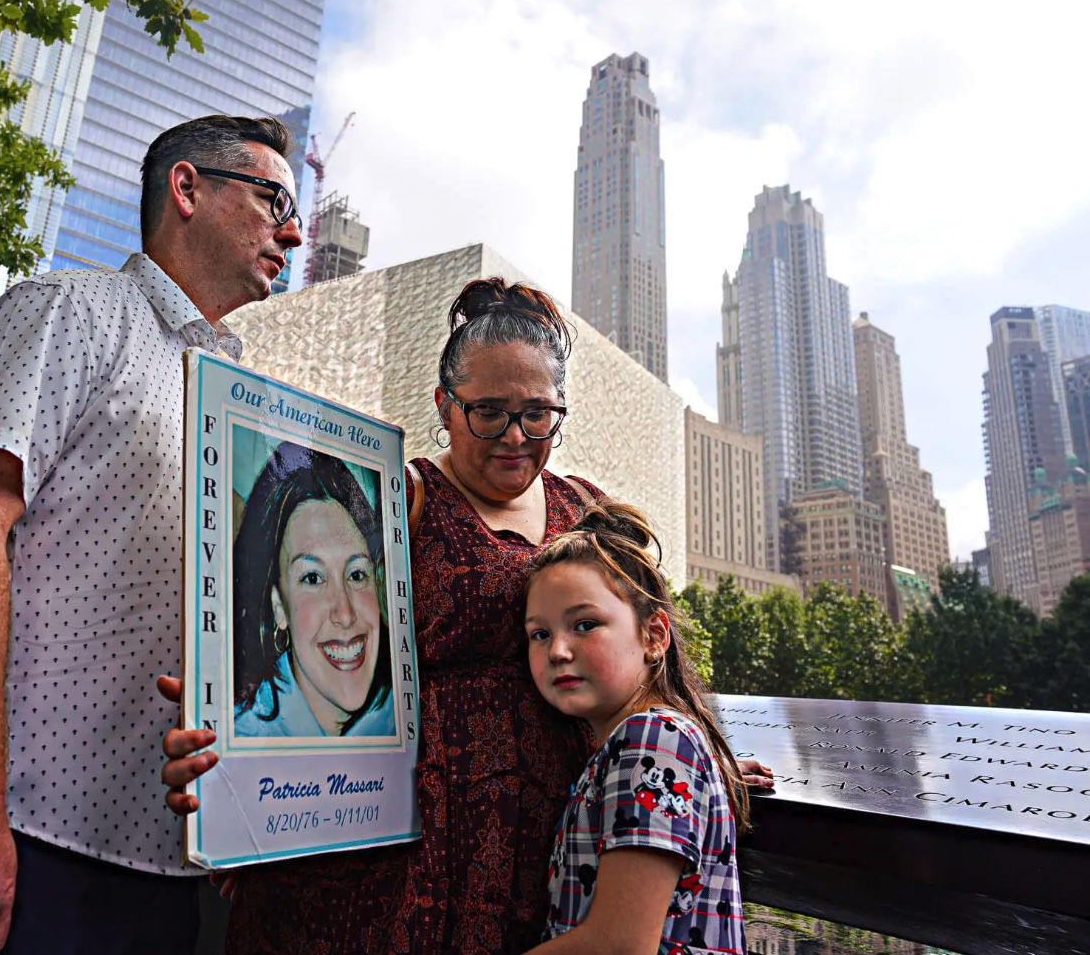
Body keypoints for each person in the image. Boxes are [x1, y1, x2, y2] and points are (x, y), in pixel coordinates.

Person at [161, 278, 774, 954]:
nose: (515, 436)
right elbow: (304, 633)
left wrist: (697, 762)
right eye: (489, 411)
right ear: (445, 407)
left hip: (532, 855)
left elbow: (648, 657)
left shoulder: (588, 512)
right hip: (374, 857)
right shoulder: (396, 497)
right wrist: (228, 729)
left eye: (537, 413)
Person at [0, 114, 303, 955]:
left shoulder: (235, 391)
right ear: (187, 188)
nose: (291, 232)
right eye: (273, 199)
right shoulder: (67, 310)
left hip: (171, 856)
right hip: (27, 838)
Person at [521, 500, 746, 955]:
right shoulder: (642, 743)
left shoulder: (653, 741)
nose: (557, 651)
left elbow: (618, 944)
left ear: (654, 636)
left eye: (585, 625)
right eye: (539, 634)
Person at [233, 441, 391, 738]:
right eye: (313, 578)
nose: (344, 614)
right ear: (278, 606)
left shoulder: (405, 714)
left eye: (357, 574)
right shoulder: (238, 739)